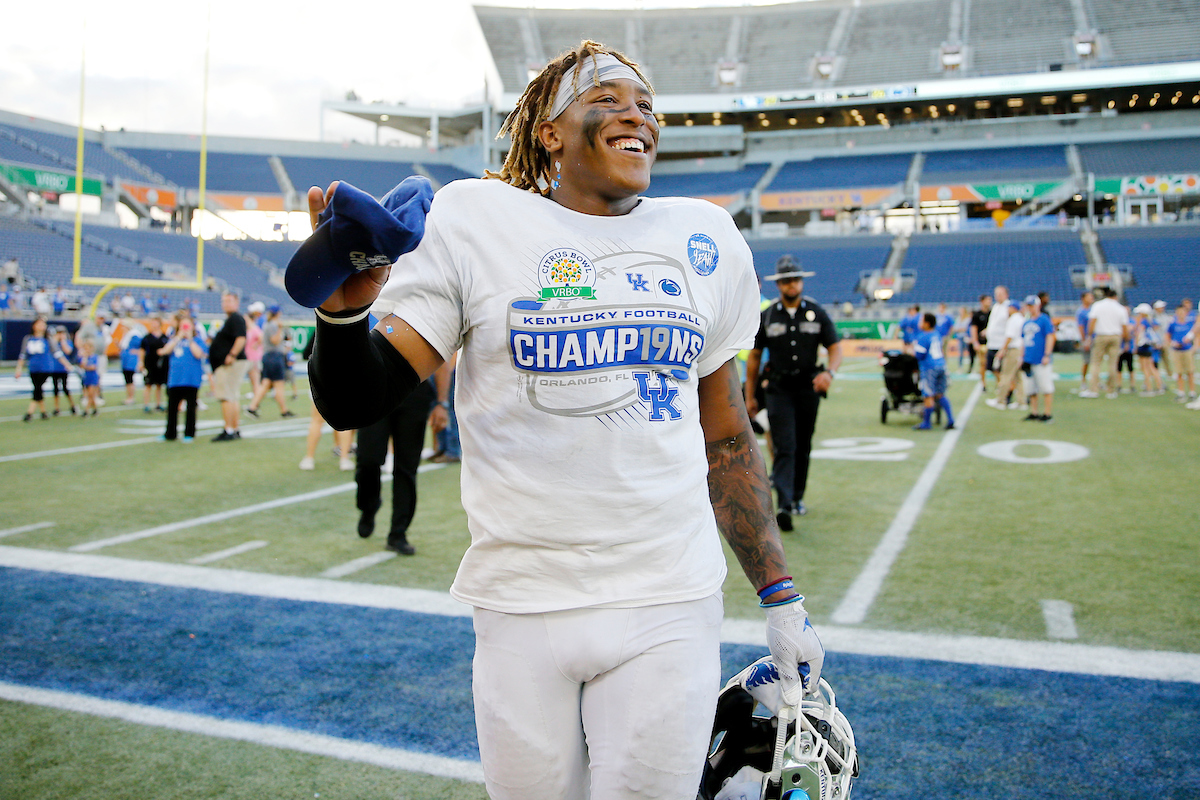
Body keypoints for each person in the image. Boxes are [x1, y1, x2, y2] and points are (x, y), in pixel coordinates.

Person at [299, 41, 823, 800]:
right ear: (549, 129)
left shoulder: (703, 239)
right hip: (519, 599)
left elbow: (726, 435)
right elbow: (355, 400)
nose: (636, 115)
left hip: (667, 596)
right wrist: (342, 320)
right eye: (609, 99)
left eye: (646, 105)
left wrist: (779, 594)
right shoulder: (474, 218)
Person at [744, 256, 841, 531]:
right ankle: (785, 504)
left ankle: (797, 497)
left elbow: (835, 347)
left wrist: (829, 373)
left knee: (803, 444)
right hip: (778, 389)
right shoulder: (768, 315)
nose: (791, 285)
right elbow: (754, 357)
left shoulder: (817, 312)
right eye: (786, 280)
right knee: (785, 444)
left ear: (801, 282)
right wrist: (749, 395)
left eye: (795, 279)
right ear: (779, 285)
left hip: (808, 389)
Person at [355, 313, 438, 554]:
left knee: (406, 467)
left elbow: (443, 354)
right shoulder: (369, 299)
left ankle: (398, 532)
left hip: (416, 389)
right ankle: (368, 505)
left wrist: (442, 402)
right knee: (368, 459)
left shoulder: (423, 301)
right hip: (373, 388)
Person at [208, 291, 249, 441]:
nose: (226, 304)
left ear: (236, 303)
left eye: (229, 301)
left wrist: (231, 355)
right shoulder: (231, 319)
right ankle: (234, 428)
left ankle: (229, 429)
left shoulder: (236, 318)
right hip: (231, 362)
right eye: (224, 301)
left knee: (226, 396)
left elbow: (241, 338)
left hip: (231, 363)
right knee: (232, 396)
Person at [14, 317, 72, 421]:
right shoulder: (28, 339)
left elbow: (57, 353)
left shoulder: (48, 339)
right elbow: (23, 355)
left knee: (37, 388)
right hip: (33, 368)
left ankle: (29, 412)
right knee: (38, 388)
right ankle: (43, 412)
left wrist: (67, 364)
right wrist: (19, 369)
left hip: (45, 367)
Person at [160, 315, 207, 442]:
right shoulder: (174, 339)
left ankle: (189, 433)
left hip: (191, 379)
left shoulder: (197, 340)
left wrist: (190, 339)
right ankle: (170, 433)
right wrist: (178, 337)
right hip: (175, 379)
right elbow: (165, 351)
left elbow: (199, 354)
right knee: (172, 408)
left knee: (191, 408)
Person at [245, 305, 295, 418]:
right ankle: (284, 410)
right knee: (279, 384)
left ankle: (252, 407)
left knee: (266, 384)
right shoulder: (273, 325)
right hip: (274, 357)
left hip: (269, 357)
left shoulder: (268, 324)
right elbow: (275, 341)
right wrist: (280, 329)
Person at [1080, 288, 1129, 399]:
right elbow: (1124, 327)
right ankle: (1111, 390)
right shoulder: (1121, 308)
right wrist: (1126, 341)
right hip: (1116, 336)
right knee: (1113, 364)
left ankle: (1094, 390)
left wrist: (1089, 336)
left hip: (1101, 335)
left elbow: (1092, 322)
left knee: (1096, 363)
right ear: (1116, 297)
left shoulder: (1098, 305)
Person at [911, 312, 956, 431]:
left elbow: (919, 355)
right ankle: (951, 419)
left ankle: (926, 423)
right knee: (940, 394)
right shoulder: (936, 334)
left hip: (929, 368)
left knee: (928, 395)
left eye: (921, 321)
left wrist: (912, 351)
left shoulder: (923, 336)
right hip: (941, 365)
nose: (919, 323)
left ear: (927, 324)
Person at [1019, 295, 1056, 422]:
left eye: (1031, 305)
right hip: (1029, 359)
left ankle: (1047, 413)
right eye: (1028, 305)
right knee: (1030, 389)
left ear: (1037, 305)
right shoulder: (1026, 321)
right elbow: (1023, 340)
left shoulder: (1044, 319)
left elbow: (1050, 337)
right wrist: (1021, 357)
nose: (1030, 308)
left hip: (1041, 359)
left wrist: (1047, 354)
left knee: (1046, 387)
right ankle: (1034, 412)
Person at [987, 299, 1027, 410]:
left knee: (1006, 375)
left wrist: (1002, 350)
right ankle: (1021, 402)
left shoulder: (1013, 319)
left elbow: (1009, 336)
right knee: (1018, 377)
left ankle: (1001, 400)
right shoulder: (1021, 319)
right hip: (1020, 349)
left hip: (1013, 349)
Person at [1132, 303, 1165, 397]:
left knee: (1145, 368)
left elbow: (1139, 333)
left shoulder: (1143, 321)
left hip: (1143, 346)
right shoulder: (1151, 320)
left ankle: (1149, 388)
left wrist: (1135, 345)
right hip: (1149, 346)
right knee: (1151, 367)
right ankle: (1159, 386)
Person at [1166, 303, 1197, 401]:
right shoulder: (1173, 324)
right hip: (1176, 350)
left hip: (1187, 349)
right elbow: (1167, 335)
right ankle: (1181, 392)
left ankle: (1192, 392)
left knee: (1190, 371)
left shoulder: (1190, 324)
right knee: (1179, 372)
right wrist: (1171, 343)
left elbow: (1196, 335)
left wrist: (1195, 346)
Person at [983, 285, 1011, 394]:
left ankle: (1007, 390)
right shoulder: (996, 306)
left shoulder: (1008, 307)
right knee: (991, 368)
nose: (997, 296)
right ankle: (1001, 386)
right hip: (992, 343)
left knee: (1003, 369)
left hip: (1001, 343)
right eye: (996, 294)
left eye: (1000, 294)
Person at [139, 315, 169, 412]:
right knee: (148, 384)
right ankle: (146, 404)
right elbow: (142, 350)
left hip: (160, 364)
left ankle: (158, 403)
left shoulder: (164, 337)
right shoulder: (147, 338)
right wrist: (141, 362)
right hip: (150, 363)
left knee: (159, 385)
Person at [48, 325, 78, 416]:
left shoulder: (67, 342)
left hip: (63, 368)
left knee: (65, 387)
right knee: (55, 388)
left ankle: (72, 405)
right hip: (54, 368)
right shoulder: (53, 342)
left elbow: (68, 351)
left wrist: (63, 341)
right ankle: (56, 407)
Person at [244, 301, 266, 399]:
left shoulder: (259, 323)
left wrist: (256, 345)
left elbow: (261, 337)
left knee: (256, 377)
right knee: (255, 377)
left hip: (255, 355)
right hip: (253, 354)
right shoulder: (257, 323)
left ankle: (257, 399)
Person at [119, 323, 144, 405]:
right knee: (127, 379)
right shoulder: (126, 336)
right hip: (126, 360)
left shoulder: (134, 335)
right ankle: (128, 396)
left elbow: (140, 346)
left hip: (130, 361)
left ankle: (131, 397)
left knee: (130, 378)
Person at [1074, 291, 1094, 392]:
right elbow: (1081, 327)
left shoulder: (1093, 310)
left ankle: (1095, 382)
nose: (1091, 298)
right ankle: (1084, 381)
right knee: (1086, 361)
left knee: (1096, 362)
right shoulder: (1081, 311)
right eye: (1089, 297)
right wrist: (1084, 340)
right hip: (1087, 339)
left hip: (1094, 338)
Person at [968, 294, 992, 382]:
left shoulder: (992, 313)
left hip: (992, 342)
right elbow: (973, 328)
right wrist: (975, 342)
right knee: (983, 364)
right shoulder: (977, 315)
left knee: (994, 365)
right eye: (987, 300)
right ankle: (983, 384)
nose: (989, 302)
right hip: (982, 342)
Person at [78, 340, 101, 416]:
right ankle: (95, 409)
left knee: (91, 394)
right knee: (89, 394)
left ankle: (86, 410)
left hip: (93, 377)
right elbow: (82, 365)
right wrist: (85, 358)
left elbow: (93, 367)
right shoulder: (84, 357)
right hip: (86, 377)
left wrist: (86, 367)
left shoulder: (94, 357)